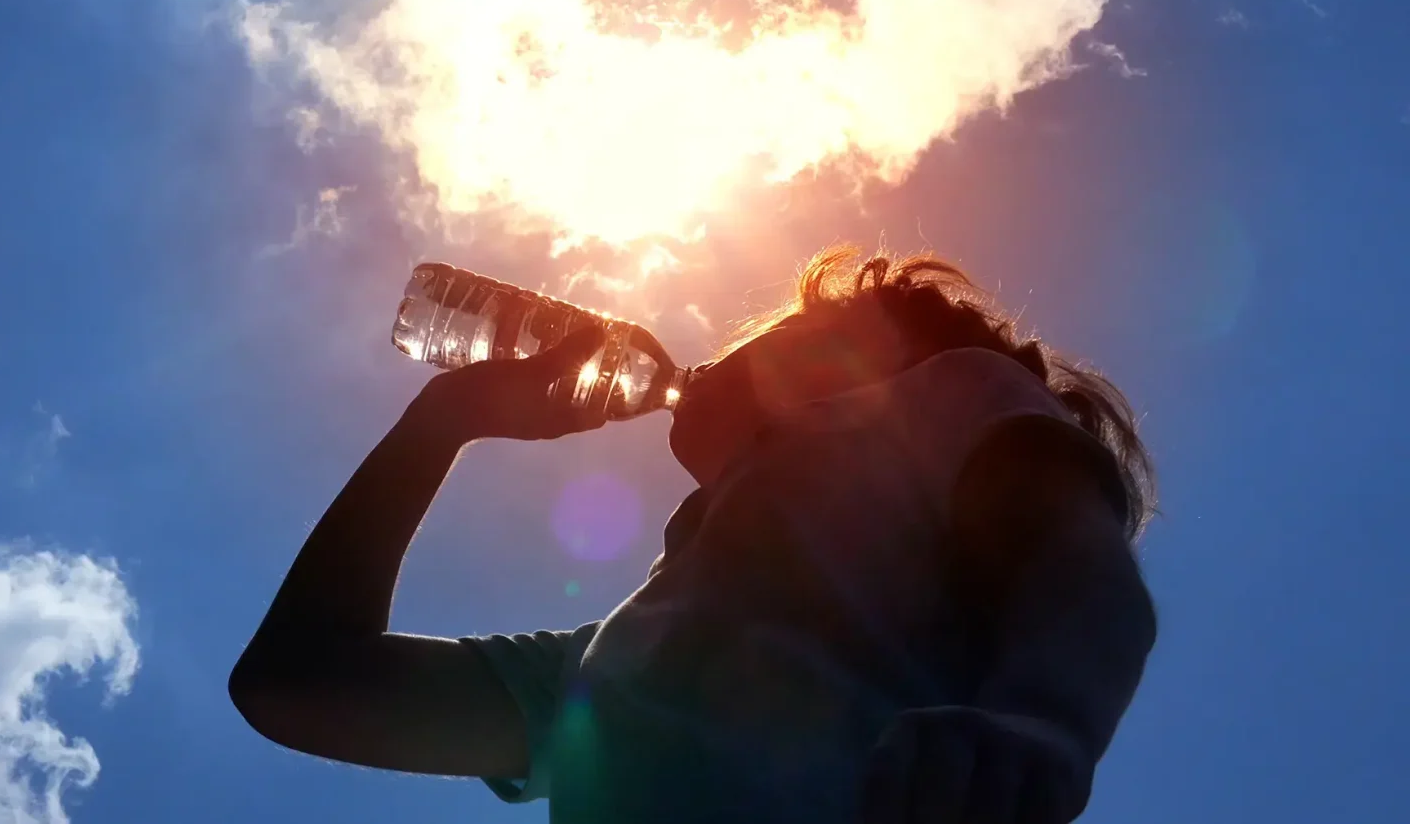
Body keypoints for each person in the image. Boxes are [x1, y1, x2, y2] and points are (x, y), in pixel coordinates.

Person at [228, 246, 1158, 823]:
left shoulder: (946, 392)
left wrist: (1040, 724)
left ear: (857, 356)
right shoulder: (611, 667)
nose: (725, 344)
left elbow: (1074, 563)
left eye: (793, 325)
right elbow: (298, 682)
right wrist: (440, 423)